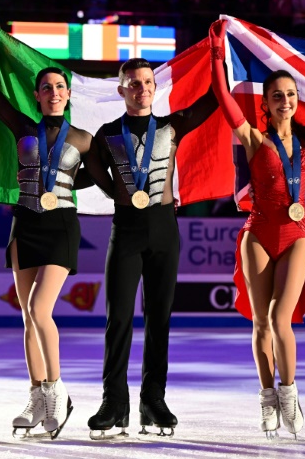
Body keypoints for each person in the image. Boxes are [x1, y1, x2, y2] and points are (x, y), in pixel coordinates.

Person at [0, 18, 112, 439]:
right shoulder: (21, 127)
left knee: (39, 310)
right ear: (37, 96)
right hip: (25, 224)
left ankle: (57, 391)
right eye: (46, 88)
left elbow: (101, 180)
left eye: (60, 88)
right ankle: (36, 396)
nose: (54, 93)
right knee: (26, 319)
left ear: (68, 95)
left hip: (60, 227)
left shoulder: (86, 139)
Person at [82, 57, 218, 439]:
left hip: (163, 230)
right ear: (121, 89)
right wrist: (121, 197)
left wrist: (219, 55)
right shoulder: (107, 133)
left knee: (159, 321)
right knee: (119, 321)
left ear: (155, 89)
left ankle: (153, 401)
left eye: (147, 83)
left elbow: (212, 101)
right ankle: (114, 403)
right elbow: (93, 173)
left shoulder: (172, 126)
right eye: (134, 83)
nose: (142, 89)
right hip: (125, 231)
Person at [209, 19, 305, 438]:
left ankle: (290, 392)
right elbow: (223, 98)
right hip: (258, 231)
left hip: (297, 235)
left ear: (297, 101)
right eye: (277, 96)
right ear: (266, 103)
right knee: (261, 322)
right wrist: (216, 57)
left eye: (290, 95)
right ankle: (267, 399)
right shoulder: (255, 140)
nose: (285, 101)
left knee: (282, 319)